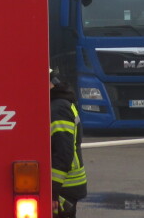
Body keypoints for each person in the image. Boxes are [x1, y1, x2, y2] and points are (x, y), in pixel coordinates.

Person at [50, 71, 88, 217]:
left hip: (64, 186)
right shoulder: (61, 102)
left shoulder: (58, 108)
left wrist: (53, 191)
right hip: (66, 185)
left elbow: (63, 153)